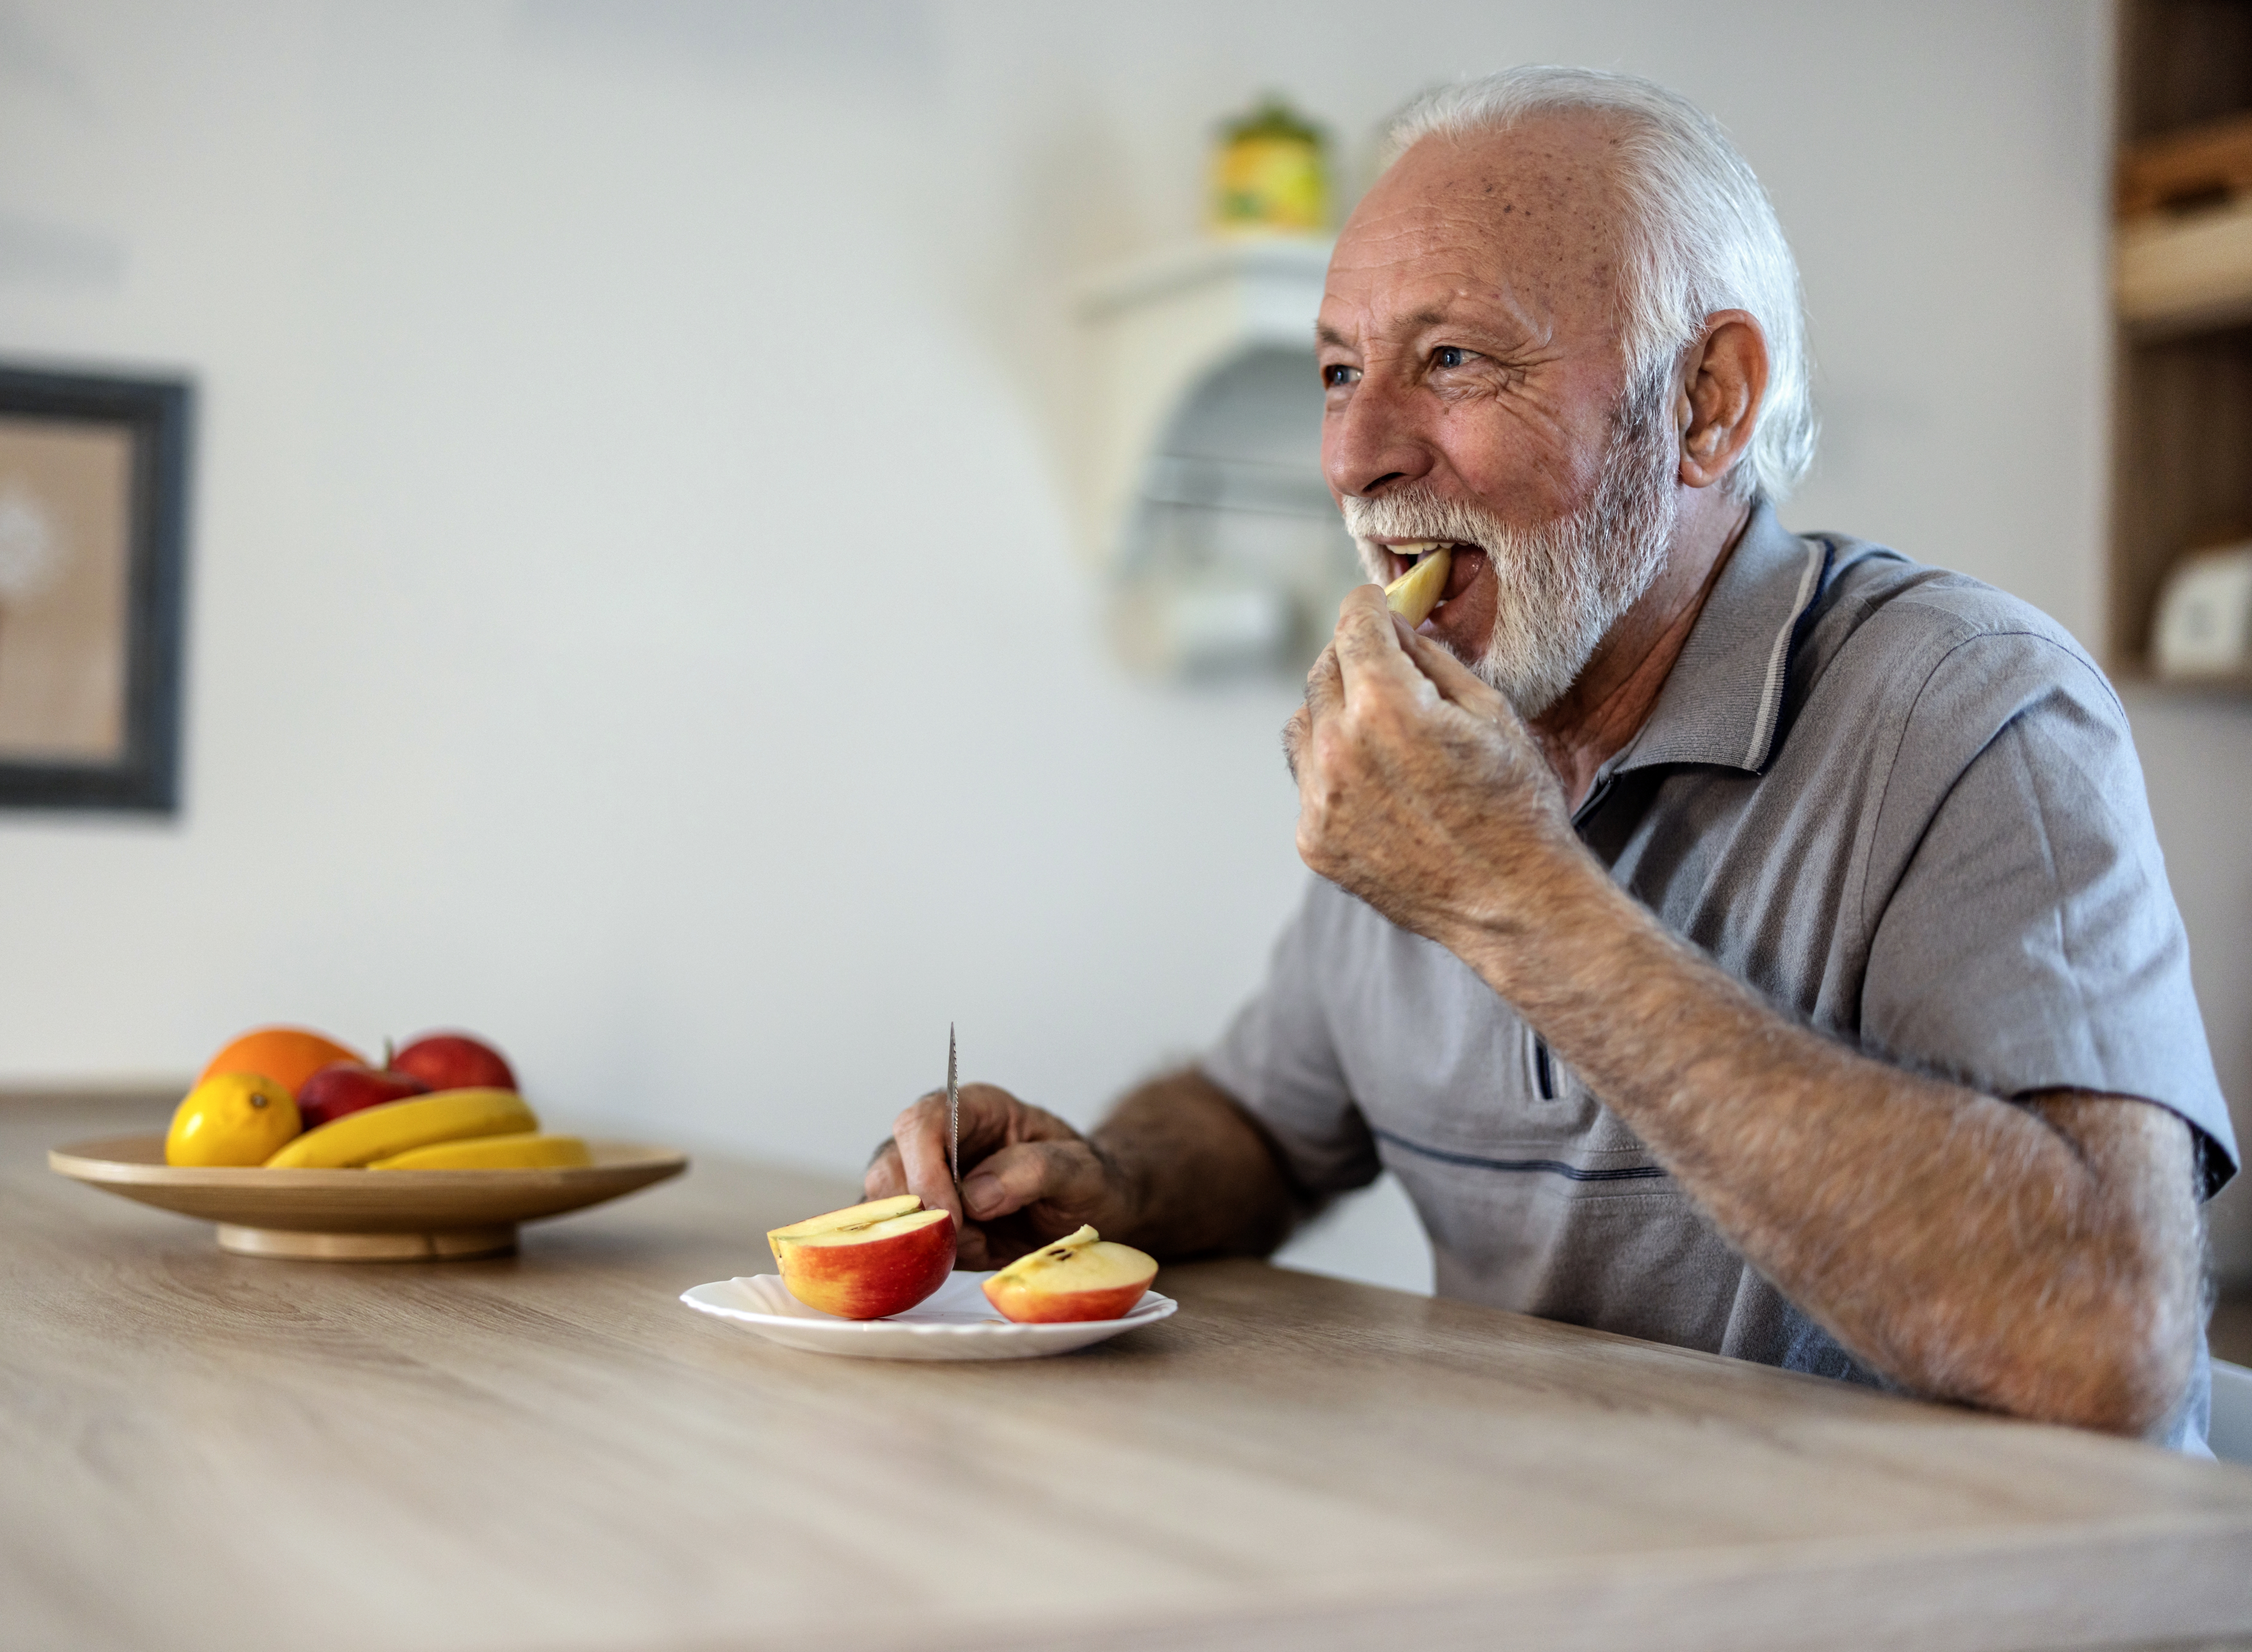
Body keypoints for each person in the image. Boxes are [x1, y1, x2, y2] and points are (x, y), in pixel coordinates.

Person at [867, 67, 2239, 1451]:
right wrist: (1103, 1179)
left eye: (1452, 358)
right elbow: (1261, 1124)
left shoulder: (1970, 707)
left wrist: (1509, 892)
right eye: (1339, 370)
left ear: (1706, 402)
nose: (1351, 454)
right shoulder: (1449, 726)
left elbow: (2102, 1344)